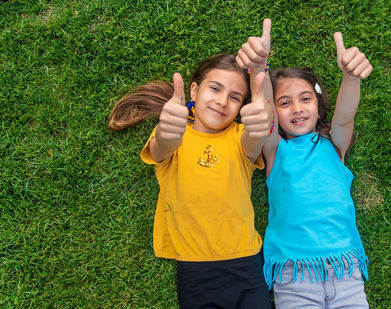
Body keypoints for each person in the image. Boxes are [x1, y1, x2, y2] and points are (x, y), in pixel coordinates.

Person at [108, 51, 274, 307]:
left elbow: (254, 141)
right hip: (195, 268)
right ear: (194, 91)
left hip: (247, 262)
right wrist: (167, 133)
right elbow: (161, 148)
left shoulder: (240, 136)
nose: (222, 101)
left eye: (235, 97)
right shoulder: (173, 135)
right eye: (215, 89)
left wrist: (260, 128)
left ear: (241, 107)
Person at [237, 30, 373, 308]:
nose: (297, 108)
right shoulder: (274, 150)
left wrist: (350, 77)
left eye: (305, 99)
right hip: (293, 271)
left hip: (345, 267)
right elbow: (265, 114)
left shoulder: (335, 145)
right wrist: (260, 69)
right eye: (284, 103)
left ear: (319, 105)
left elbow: (346, 116)